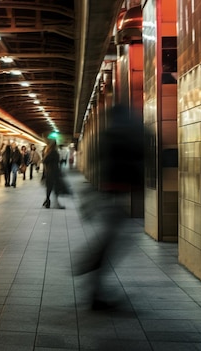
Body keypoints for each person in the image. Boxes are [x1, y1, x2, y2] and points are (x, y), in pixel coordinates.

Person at [76, 104, 145, 310]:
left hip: (108, 194)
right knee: (110, 240)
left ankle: (93, 278)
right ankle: (92, 275)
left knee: (110, 239)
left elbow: (100, 163)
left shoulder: (109, 135)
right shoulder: (127, 135)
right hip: (114, 196)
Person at [42, 139, 67, 208]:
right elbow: (44, 160)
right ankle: (53, 203)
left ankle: (48, 201)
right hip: (53, 172)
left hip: (50, 172)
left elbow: (44, 161)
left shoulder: (49, 152)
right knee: (55, 188)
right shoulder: (53, 152)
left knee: (50, 188)